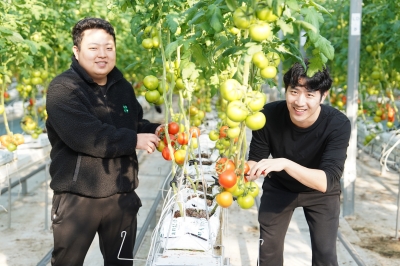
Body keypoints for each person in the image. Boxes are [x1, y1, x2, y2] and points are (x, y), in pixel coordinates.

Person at [46, 17, 162, 266]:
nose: (102, 54)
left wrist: (157, 130)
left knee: (121, 262)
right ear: (76, 52)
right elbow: (87, 137)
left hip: (121, 195)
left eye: (109, 48)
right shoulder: (63, 89)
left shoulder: (123, 88)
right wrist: (134, 140)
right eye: (93, 48)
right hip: (79, 197)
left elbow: (133, 125)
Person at [246, 60, 351, 266]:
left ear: (323, 96)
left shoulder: (338, 124)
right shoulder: (267, 116)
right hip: (280, 187)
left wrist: (284, 163)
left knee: (325, 255)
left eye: (310, 95)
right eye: (294, 92)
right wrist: (240, 170)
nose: (300, 102)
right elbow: (254, 162)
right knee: (268, 254)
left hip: (320, 192)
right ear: (285, 90)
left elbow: (325, 181)